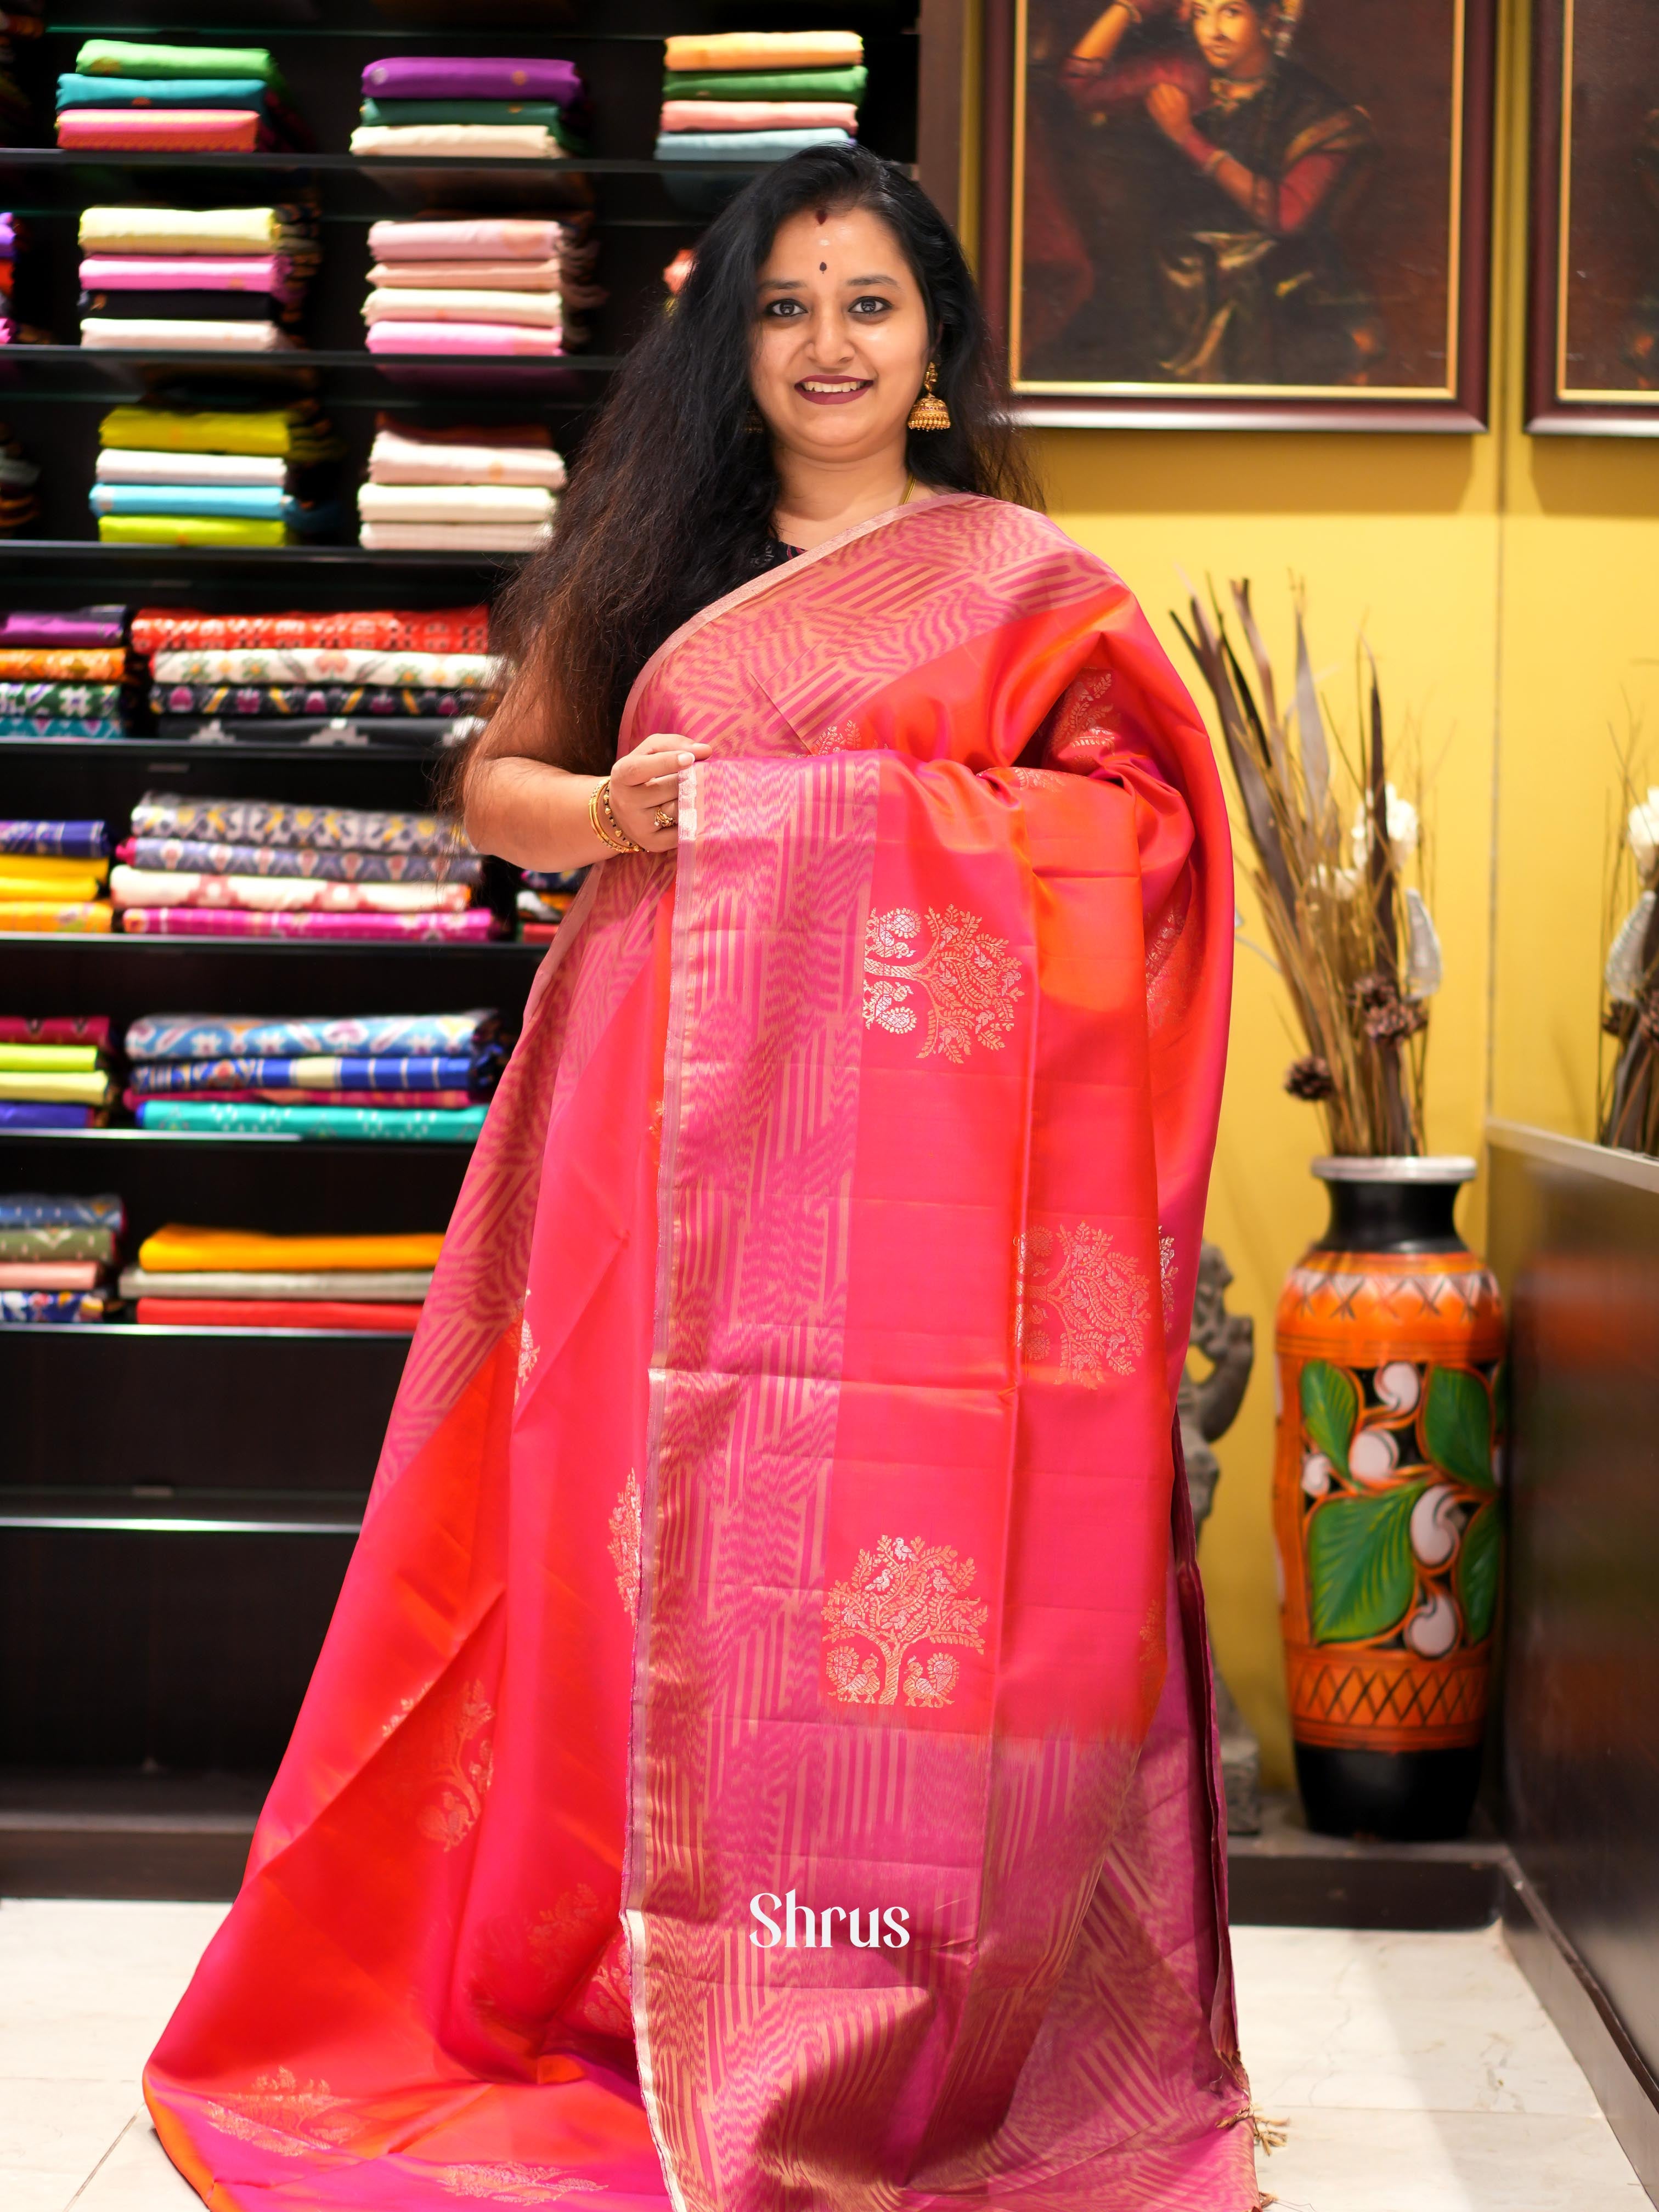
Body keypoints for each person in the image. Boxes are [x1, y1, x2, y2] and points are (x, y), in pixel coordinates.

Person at [143, 143, 1262, 2211]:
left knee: (891, 1580)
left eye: (867, 306)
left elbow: (1141, 842)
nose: (824, 346)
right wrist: (626, 805)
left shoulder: (1020, 585)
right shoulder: (651, 541)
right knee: (622, 1547)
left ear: (935, 346)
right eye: (782, 308)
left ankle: (886, 1996)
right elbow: (501, 791)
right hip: (647, 1140)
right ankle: (618, 1974)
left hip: (925, 1215)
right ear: (731, 341)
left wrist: (851, 822)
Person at [1029, 0, 1382, 384]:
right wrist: (1129, 9)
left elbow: (1285, 214)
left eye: (1230, 12)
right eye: (1200, 13)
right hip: (1174, 280)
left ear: (1268, 19)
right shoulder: (1183, 73)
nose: (1211, 31)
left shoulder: (1315, 109)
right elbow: (1077, 86)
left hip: (1274, 286)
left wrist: (1187, 137)